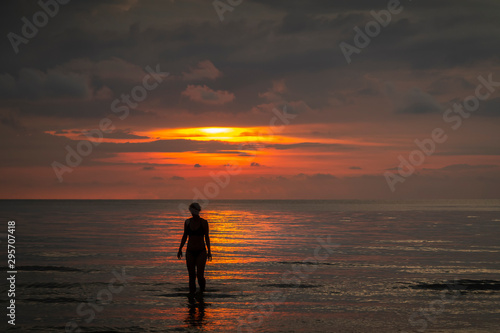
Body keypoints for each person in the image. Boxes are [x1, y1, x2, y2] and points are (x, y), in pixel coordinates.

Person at [177, 202, 212, 294]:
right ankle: (191, 295)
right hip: (190, 251)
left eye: (195, 210)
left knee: (200, 276)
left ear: (198, 211)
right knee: (191, 276)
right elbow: (185, 236)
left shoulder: (204, 222)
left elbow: (207, 237)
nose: (193, 213)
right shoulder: (187, 222)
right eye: (191, 210)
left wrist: (209, 251)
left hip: (201, 251)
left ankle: (202, 292)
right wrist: (180, 249)